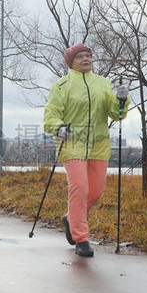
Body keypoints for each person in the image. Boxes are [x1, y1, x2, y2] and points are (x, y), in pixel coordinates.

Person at [43, 43, 129, 257]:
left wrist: (121, 99)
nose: (85, 59)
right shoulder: (62, 86)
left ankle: (70, 219)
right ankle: (81, 238)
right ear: (71, 62)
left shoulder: (102, 84)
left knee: (96, 191)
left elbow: (116, 114)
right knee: (79, 189)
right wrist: (59, 127)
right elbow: (51, 115)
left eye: (89, 56)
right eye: (80, 56)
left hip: (99, 145)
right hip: (73, 143)